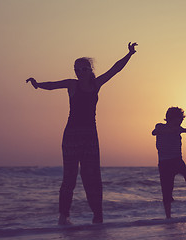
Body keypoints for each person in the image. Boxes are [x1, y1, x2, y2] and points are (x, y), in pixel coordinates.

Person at [26, 42, 138, 225]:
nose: (79, 72)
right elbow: (53, 85)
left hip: (90, 136)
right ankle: (64, 216)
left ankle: (98, 217)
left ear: (90, 69)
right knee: (69, 176)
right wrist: (37, 84)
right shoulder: (72, 84)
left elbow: (115, 69)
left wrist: (129, 54)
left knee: (91, 177)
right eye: (76, 69)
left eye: (83, 68)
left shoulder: (96, 84)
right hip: (71, 135)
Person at [152, 107, 186, 219]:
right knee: (166, 190)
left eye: (181, 120)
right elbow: (154, 132)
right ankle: (168, 216)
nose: (180, 122)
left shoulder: (179, 128)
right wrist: (170, 131)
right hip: (164, 163)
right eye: (178, 120)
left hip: (177, 160)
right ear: (170, 118)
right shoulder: (160, 126)